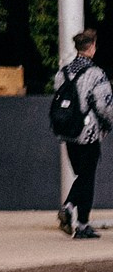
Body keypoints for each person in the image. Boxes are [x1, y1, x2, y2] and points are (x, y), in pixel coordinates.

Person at [52, 26, 112, 239]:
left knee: (82, 176)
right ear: (92, 48)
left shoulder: (63, 72)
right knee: (87, 177)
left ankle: (76, 216)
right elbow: (105, 106)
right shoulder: (96, 74)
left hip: (68, 133)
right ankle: (77, 218)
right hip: (88, 134)